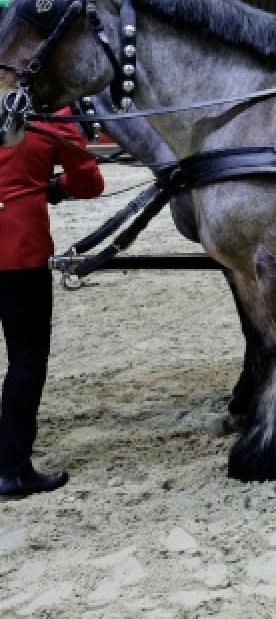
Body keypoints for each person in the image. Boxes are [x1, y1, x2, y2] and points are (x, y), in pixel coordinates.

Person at [0, 109, 104, 500]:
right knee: (25, 361)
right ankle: (11, 470)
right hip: (18, 253)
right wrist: (52, 187)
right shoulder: (49, 117)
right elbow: (89, 183)